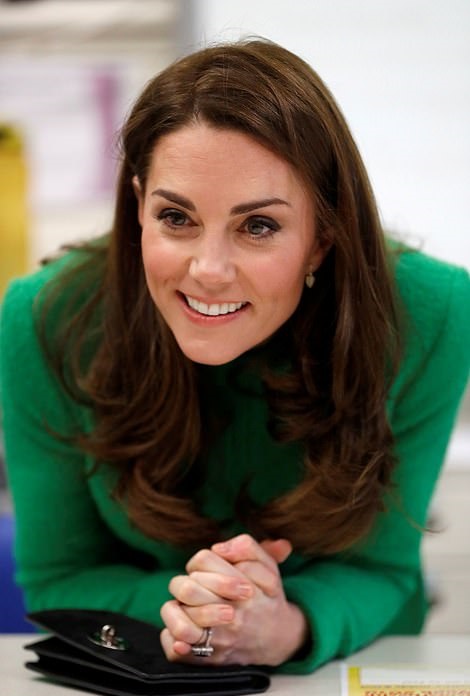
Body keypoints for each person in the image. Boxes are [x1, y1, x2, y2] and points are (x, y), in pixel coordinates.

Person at [1, 38, 469, 674]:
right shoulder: (45, 318)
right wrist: (209, 611)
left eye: (258, 226)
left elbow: (381, 571)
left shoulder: (431, 314)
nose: (209, 270)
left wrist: (285, 627)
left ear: (322, 237)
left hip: (346, 668)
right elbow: (60, 580)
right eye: (176, 217)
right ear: (138, 207)